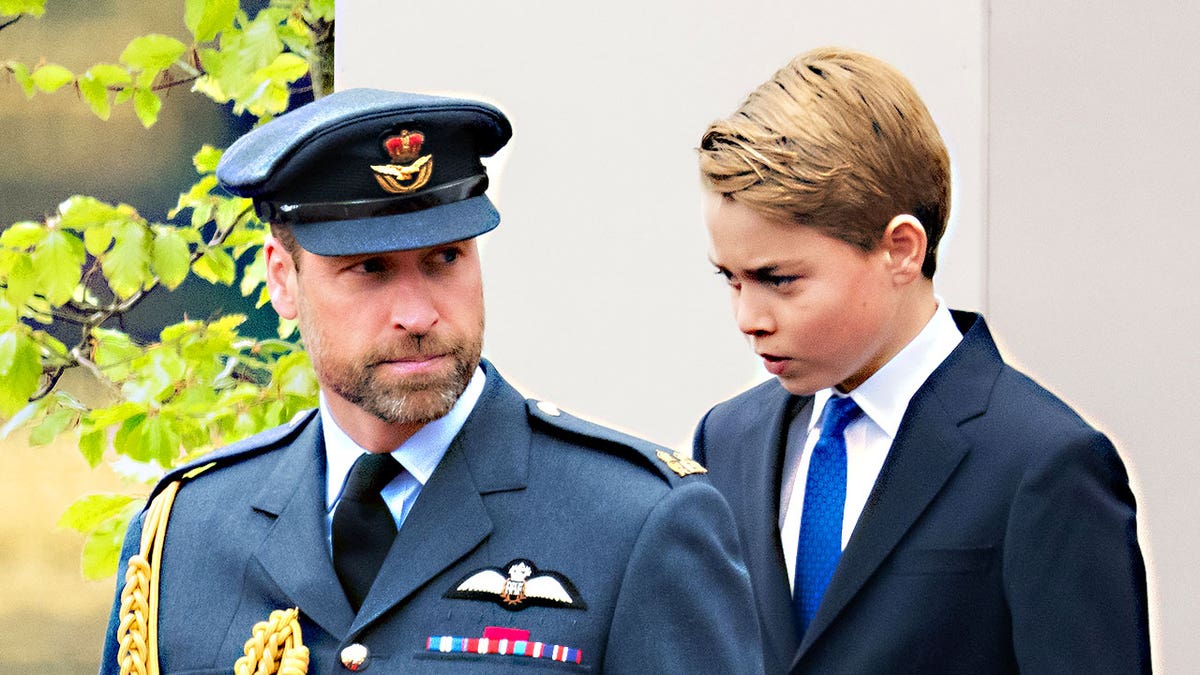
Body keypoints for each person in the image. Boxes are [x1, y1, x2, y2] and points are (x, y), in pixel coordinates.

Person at [99, 88, 761, 674]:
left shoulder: (636, 523)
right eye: (369, 269)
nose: (418, 314)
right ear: (281, 278)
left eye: (445, 258)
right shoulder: (187, 530)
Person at [693, 47, 1150, 673]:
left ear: (902, 251)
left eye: (780, 279)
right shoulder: (727, 439)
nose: (749, 318)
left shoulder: (1043, 462)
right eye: (731, 279)